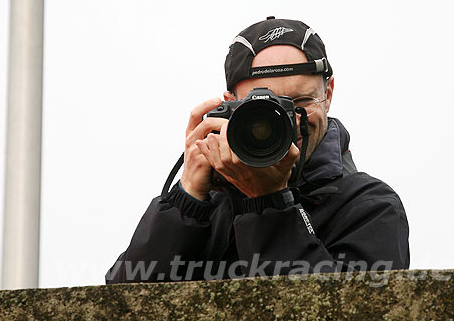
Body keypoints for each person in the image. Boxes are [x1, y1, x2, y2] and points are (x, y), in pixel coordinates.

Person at [106, 17, 410, 284]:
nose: (286, 122)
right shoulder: (209, 208)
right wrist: (186, 200)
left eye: (300, 103)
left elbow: (343, 310)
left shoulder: (369, 207)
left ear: (327, 95)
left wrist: (268, 204)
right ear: (228, 104)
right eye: (263, 109)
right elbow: (121, 305)